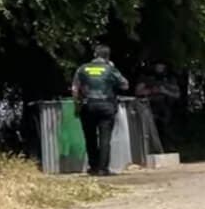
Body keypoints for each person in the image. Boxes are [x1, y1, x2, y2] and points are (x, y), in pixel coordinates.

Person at [72, 44, 129, 176]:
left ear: (94, 55)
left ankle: (93, 167)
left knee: (90, 137)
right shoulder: (110, 69)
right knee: (105, 138)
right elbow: (125, 85)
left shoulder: (82, 69)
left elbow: (75, 89)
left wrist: (77, 105)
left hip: (87, 106)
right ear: (107, 57)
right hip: (106, 106)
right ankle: (103, 169)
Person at [136, 61, 181, 151]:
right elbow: (138, 92)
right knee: (150, 130)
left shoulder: (169, 78)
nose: (160, 67)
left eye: (161, 65)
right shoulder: (147, 78)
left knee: (166, 129)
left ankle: (167, 148)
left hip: (165, 107)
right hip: (150, 106)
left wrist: (164, 91)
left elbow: (177, 94)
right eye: (158, 65)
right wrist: (152, 91)